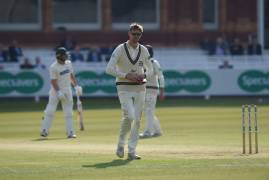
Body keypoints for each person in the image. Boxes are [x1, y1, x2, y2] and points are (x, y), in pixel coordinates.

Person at [106, 23, 153, 160]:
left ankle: (131, 151)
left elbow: (151, 69)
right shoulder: (120, 49)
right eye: (134, 34)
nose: (136, 37)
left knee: (137, 120)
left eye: (138, 34)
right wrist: (126, 75)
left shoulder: (144, 50)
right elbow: (109, 69)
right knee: (130, 116)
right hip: (123, 86)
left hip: (140, 87)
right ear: (129, 34)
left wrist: (143, 75)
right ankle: (121, 144)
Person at [40, 47, 82, 138]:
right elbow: (53, 81)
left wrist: (76, 86)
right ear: (60, 56)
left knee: (69, 112)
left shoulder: (68, 63)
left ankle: (70, 132)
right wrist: (58, 92)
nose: (66, 56)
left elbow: (71, 75)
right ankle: (44, 130)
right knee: (50, 111)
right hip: (55, 91)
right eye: (64, 55)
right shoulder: (53, 67)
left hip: (67, 90)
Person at [139, 45, 165, 138]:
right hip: (144, 89)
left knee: (149, 111)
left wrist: (162, 90)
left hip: (152, 88)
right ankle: (157, 131)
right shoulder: (142, 63)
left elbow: (160, 76)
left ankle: (148, 132)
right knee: (148, 111)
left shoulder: (154, 62)